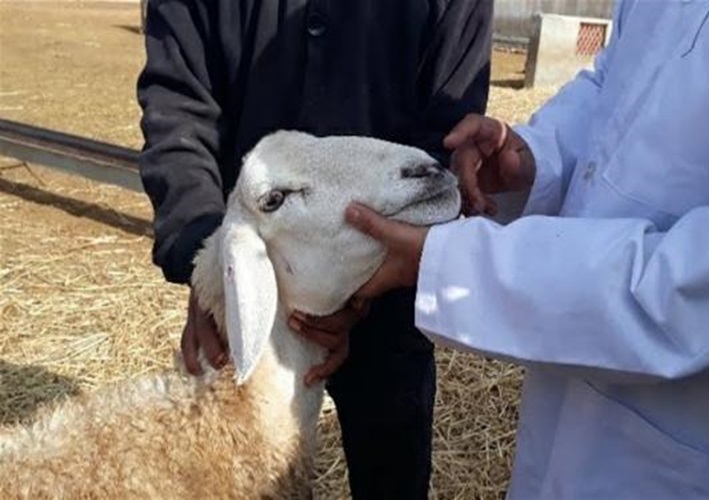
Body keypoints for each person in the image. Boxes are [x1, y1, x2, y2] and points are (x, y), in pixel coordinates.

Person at [339, 0, 709, 497]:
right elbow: (611, 86)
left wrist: (450, 263)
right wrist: (534, 159)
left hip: (701, 447)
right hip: (569, 413)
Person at [136, 1, 492, 498]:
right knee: (255, 475)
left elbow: (448, 131)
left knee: (392, 466)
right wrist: (206, 255)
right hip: (252, 289)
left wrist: (367, 289)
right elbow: (179, 106)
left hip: (390, 292)